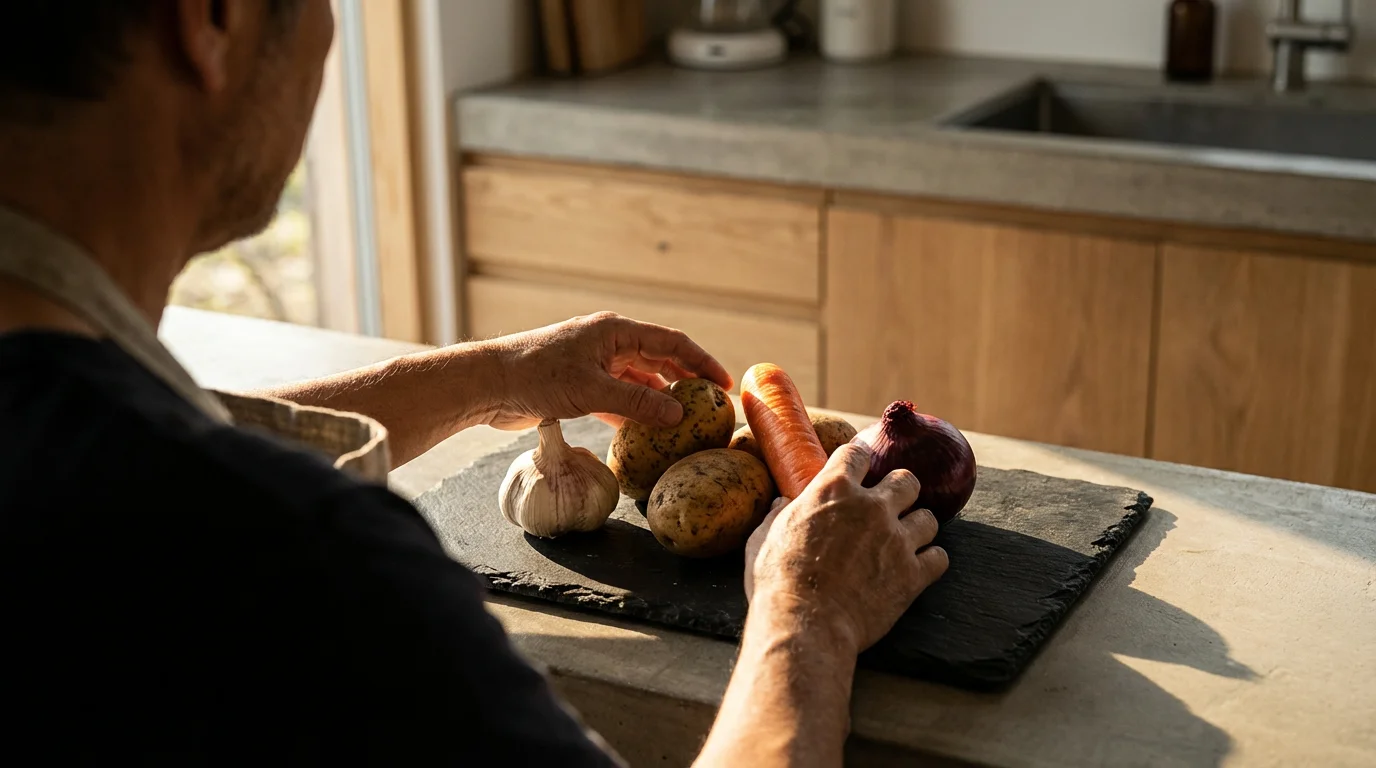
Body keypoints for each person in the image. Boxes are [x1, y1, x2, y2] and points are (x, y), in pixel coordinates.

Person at [0, 2, 949, 765]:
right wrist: (806, 618)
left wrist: (495, 376)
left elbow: (127, 435)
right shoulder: (303, 563)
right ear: (211, 20)